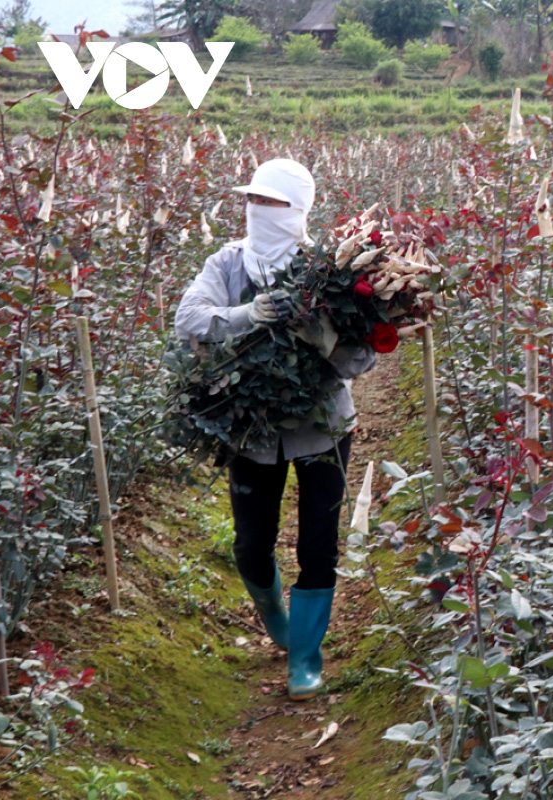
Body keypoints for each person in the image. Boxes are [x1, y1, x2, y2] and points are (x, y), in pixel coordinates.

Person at [174, 159, 376, 701]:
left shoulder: (329, 270)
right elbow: (188, 319)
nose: (258, 210)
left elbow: (361, 361)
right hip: (253, 428)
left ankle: (306, 657)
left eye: (271, 202)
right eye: (253, 200)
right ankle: (280, 624)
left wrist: (321, 340)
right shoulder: (230, 263)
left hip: (323, 427)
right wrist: (248, 315)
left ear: (298, 210)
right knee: (250, 544)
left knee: (318, 543)